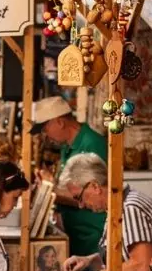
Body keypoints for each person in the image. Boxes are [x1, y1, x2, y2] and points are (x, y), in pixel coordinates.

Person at [31, 96, 107, 258]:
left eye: (45, 129)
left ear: (59, 122)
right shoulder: (68, 147)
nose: (44, 135)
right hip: (76, 235)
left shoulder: (92, 144)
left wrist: (50, 189)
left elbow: (95, 194)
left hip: (93, 236)